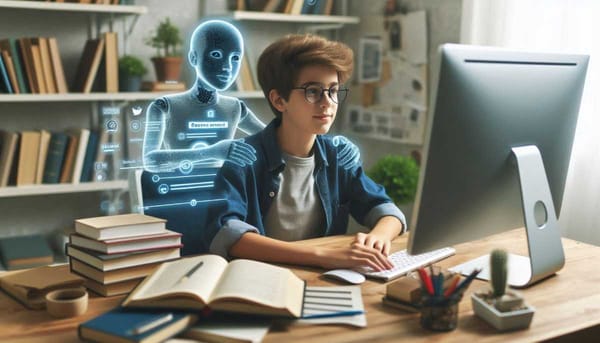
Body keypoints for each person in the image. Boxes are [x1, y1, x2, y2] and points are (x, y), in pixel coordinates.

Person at [207, 34, 406, 271]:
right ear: (279, 100)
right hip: (260, 278)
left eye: (333, 90)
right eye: (313, 91)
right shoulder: (244, 159)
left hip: (319, 277)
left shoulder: (337, 156)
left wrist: (379, 237)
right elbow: (229, 235)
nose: (327, 102)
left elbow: (386, 210)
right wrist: (322, 255)